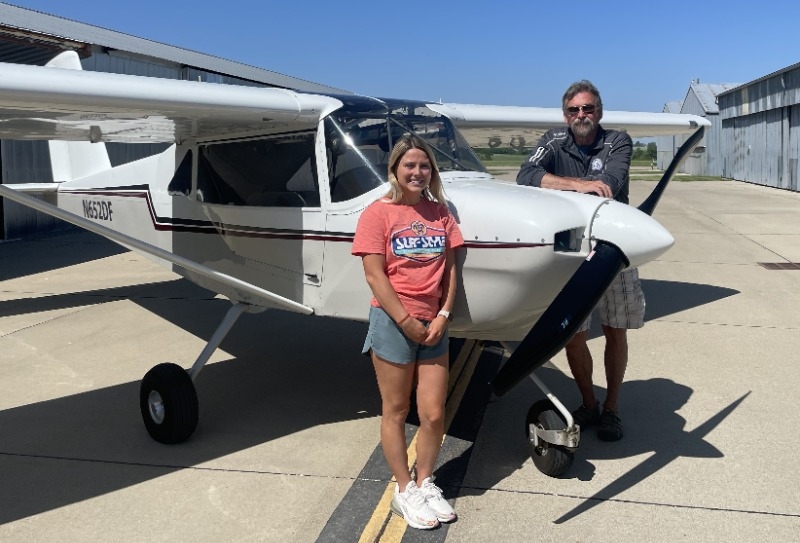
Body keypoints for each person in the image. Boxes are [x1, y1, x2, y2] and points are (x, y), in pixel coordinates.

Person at [516, 80, 644, 442]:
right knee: (574, 334)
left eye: (587, 109)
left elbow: (609, 182)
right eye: (574, 110)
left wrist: (561, 183)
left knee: (615, 331)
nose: (581, 115)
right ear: (565, 115)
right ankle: (588, 402)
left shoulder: (618, 140)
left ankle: (612, 409)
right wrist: (576, 185)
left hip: (614, 250)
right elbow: (526, 175)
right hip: (572, 252)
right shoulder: (553, 140)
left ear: (598, 112)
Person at [352, 135, 464, 529]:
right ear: (395, 170)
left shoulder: (440, 212)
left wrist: (444, 314)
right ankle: (404, 489)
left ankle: (426, 480)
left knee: (433, 413)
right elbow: (373, 274)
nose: (418, 173)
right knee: (396, 411)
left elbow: (452, 267)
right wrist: (405, 321)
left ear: (432, 172)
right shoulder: (377, 214)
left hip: (434, 323)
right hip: (393, 322)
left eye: (425, 166)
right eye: (410, 166)